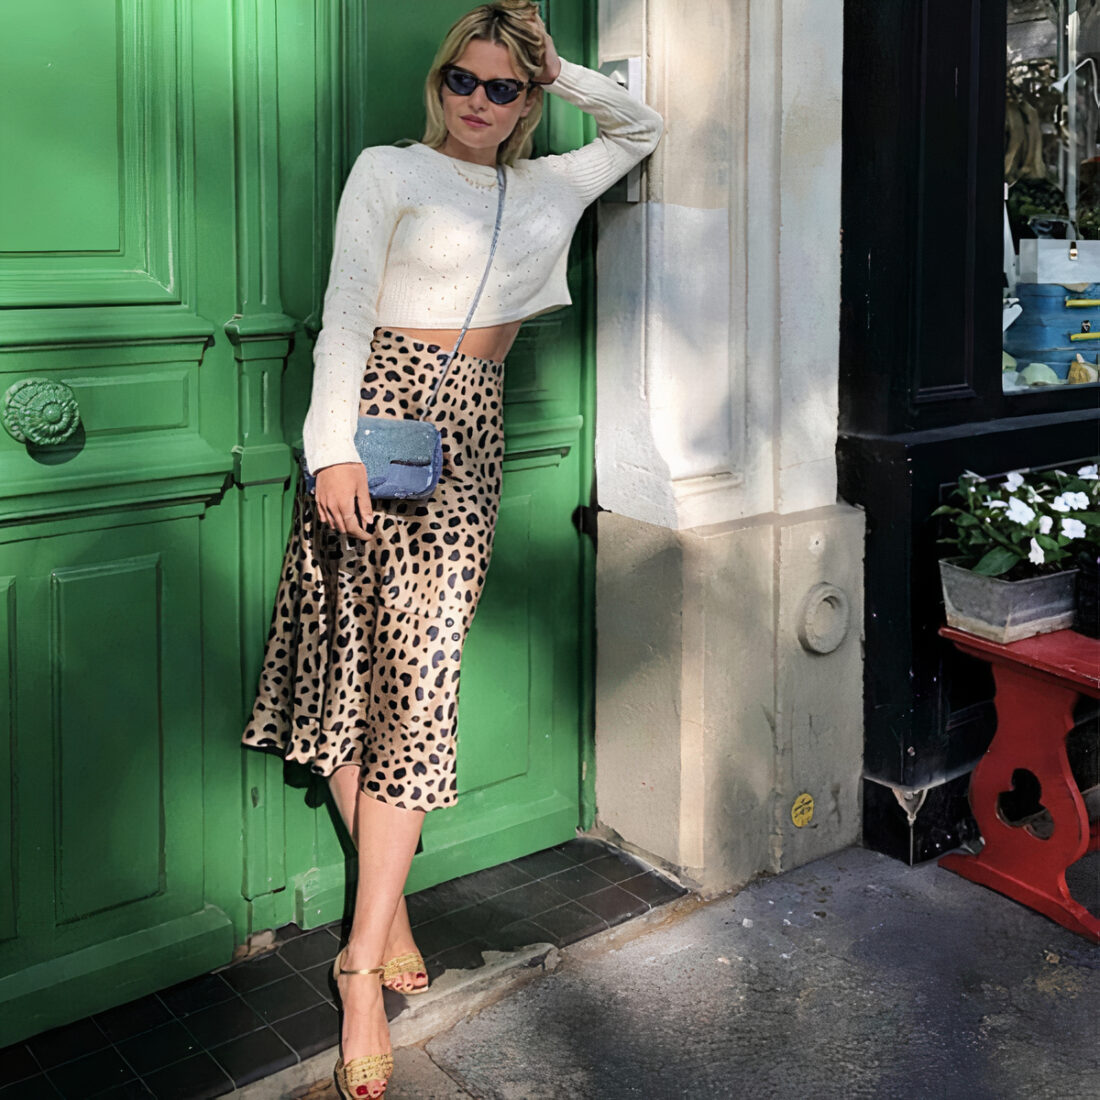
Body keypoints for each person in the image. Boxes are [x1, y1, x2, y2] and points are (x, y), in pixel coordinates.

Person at [241, 2, 661, 1095]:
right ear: (438, 86)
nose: (475, 102)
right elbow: (342, 311)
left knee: (419, 677)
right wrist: (329, 448)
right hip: (373, 413)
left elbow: (639, 130)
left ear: (523, 100)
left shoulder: (549, 182)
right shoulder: (387, 168)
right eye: (460, 83)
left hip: (467, 430)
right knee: (344, 667)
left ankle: (358, 942)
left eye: (499, 87)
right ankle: (376, 940)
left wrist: (559, 67)